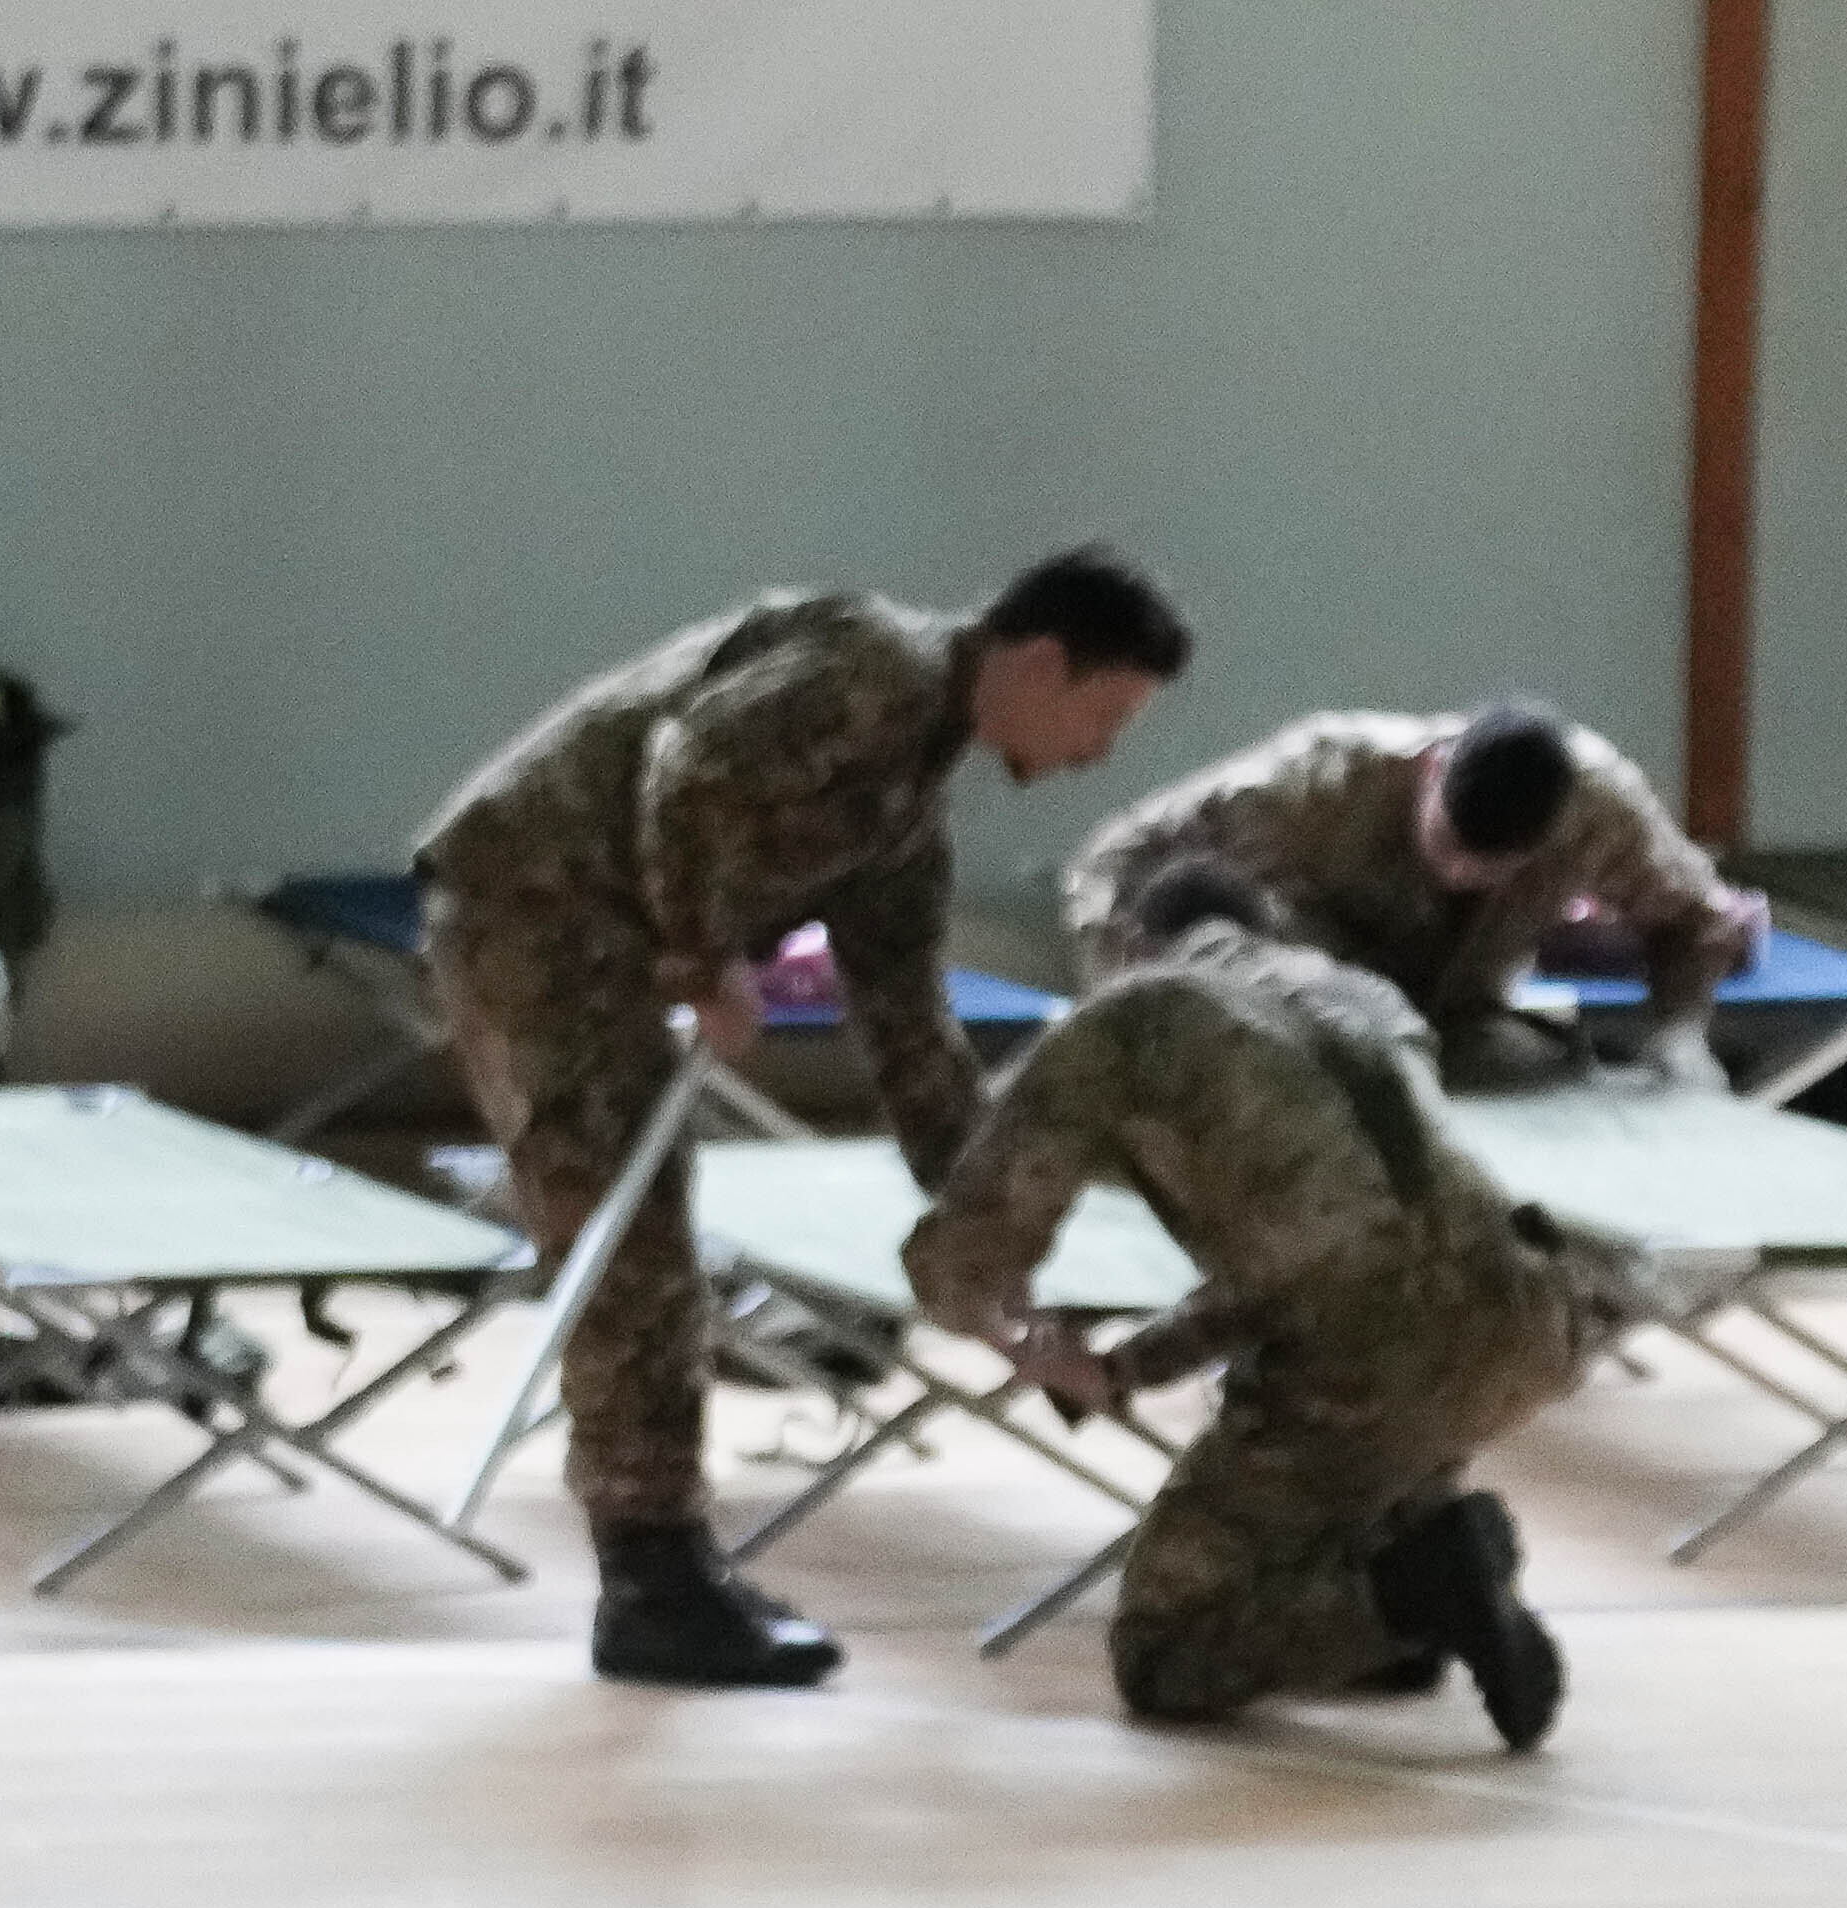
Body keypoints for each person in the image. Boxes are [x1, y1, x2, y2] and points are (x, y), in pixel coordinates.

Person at [415, 545, 1195, 1691]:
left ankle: (668, 1563)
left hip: (594, 933)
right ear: (1040, 662)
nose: (1099, 755)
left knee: (649, 1245)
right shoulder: (870, 669)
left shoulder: (900, 816)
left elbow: (911, 1036)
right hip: (534, 910)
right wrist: (702, 956)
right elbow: (688, 764)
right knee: (633, 1252)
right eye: (1105, 714)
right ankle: (651, 1583)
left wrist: (988, 1236)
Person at [908, 854, 1606, 1741]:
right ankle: (1406, 1583)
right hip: (1529, 1318)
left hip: (1367, 1357)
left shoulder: (1129, 1020)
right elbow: (1323, 1250)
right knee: (1339, 1496)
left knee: (1164, 1653)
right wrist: (1132, 1365)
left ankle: (1407, 1596)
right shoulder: (1362, 998)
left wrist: (1029, 1347)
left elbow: (965, 1259)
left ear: (1129, 943)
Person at [1057, 699, 1751, 1087]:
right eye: (1447, 847)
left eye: (1490, 869)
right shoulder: (1317, 782)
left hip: (1456, 1032)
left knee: (1584, 1102)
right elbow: (1109, 860)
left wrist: (1680, 1035)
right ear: (1430, 769)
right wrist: (1128, 1013)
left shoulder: (1598, 811)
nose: (1458, 877)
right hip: (1300, 1039)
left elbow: (1694, 921)